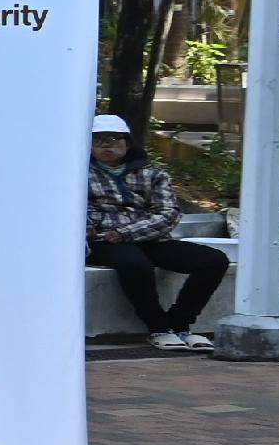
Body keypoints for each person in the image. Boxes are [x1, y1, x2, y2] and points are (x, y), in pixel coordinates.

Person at [89, 113, 223, 351]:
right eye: (98, 140)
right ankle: (158, 327)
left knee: (213, 260)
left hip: (150, 238)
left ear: (128, 143)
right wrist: (108, 232)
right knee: (135, 265)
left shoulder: (153, 173)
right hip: (104, 243)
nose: (106, 145)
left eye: (113, 139)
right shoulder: (78, 174)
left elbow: (168, 213)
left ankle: (180, 323)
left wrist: (126, 232)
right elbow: (83, 214)